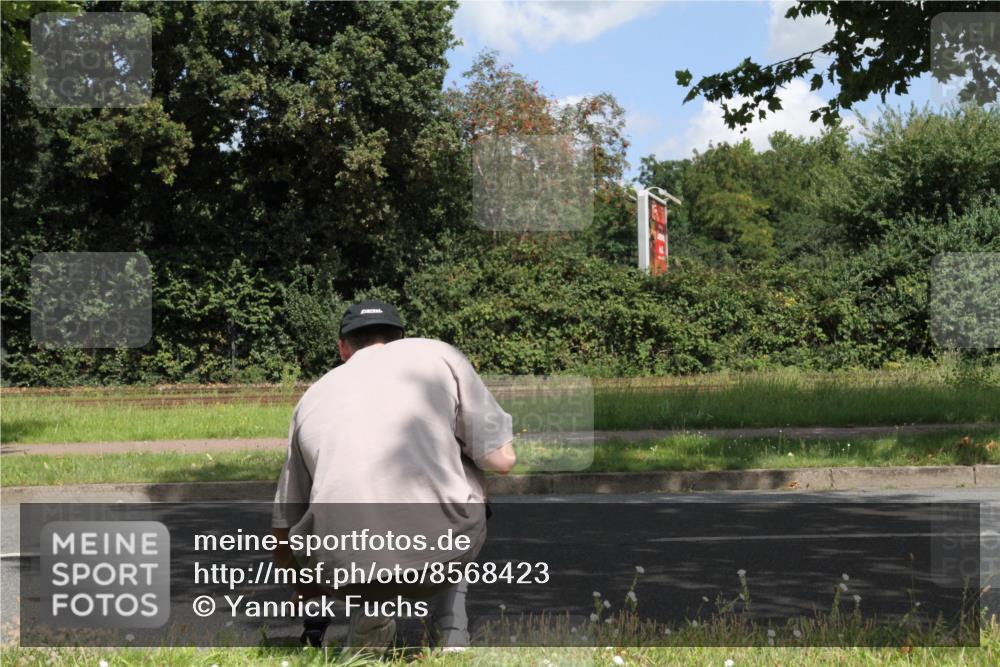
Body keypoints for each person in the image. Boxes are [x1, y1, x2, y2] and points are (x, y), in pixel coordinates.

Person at [271, 299, 516, 651]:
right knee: (466, 459)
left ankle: (372, 607)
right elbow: (502, 460)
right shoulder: (439, 356)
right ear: (401, 338)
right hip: (440, 553)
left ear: (343, 348)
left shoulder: (311, 397)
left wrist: (305, 586)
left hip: (346, 565)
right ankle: (451, 629)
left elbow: (283, 524)